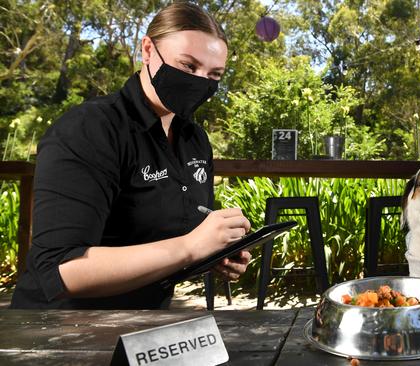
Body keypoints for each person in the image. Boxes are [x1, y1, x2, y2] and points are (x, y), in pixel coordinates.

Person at [10, 2, 251, 309]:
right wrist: (191, 246)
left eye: (214, 74)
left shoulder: (195, 140)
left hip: (144, 324)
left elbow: (170, 244)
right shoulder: (89, 129)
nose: (200, 82)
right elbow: (60, 270)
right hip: (58, 329)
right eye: (188, 67)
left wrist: (213, 254)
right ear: (148, 51)